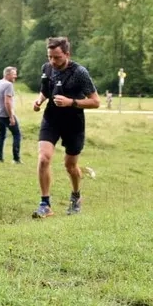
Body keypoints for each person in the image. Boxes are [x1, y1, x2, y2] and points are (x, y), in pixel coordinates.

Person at [31, 37, 99, 217]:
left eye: (57, 57)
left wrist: (71, 102)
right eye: (50, 57)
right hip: (51, 117)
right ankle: (45, 204)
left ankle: (76, 196)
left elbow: (95, 102)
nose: (53, 61)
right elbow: (45, 90)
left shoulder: (79, 72)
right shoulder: (46, 68)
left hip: (74, 121)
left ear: (67, 54)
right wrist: (39, 101)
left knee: (70, 166)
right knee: (44, 158)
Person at [0, 66, 20, 163]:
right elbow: (7, 102)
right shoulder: (8, 85)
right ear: (7, 74)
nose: (16, 76)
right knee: (17, 134)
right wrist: (11, 117)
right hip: (6, 115)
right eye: (14, 74)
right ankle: (16, 159)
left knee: (1, 135)